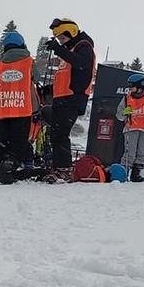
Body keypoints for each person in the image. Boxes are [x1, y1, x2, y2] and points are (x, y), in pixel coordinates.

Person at [42, 18, 96, 172]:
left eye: (63, 38)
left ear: (71, 32)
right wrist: (50, 89)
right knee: (56, 134)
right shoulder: (70, 52)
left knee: (60, 134)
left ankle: (63, 169)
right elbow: (68, 77)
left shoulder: (84, 46)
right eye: (59, 39)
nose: (61, 42)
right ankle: (58, 167)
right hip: (62, 99)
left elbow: (81, 65)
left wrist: (58, 49)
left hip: (73, 99)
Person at [0, 30, 37, 182]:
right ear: (22, 45)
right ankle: (8, 169)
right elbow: (34, 82)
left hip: (2, 110)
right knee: (18, 142)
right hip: (22, 109)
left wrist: (3, 98)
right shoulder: (29, 62)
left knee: (2, 141)